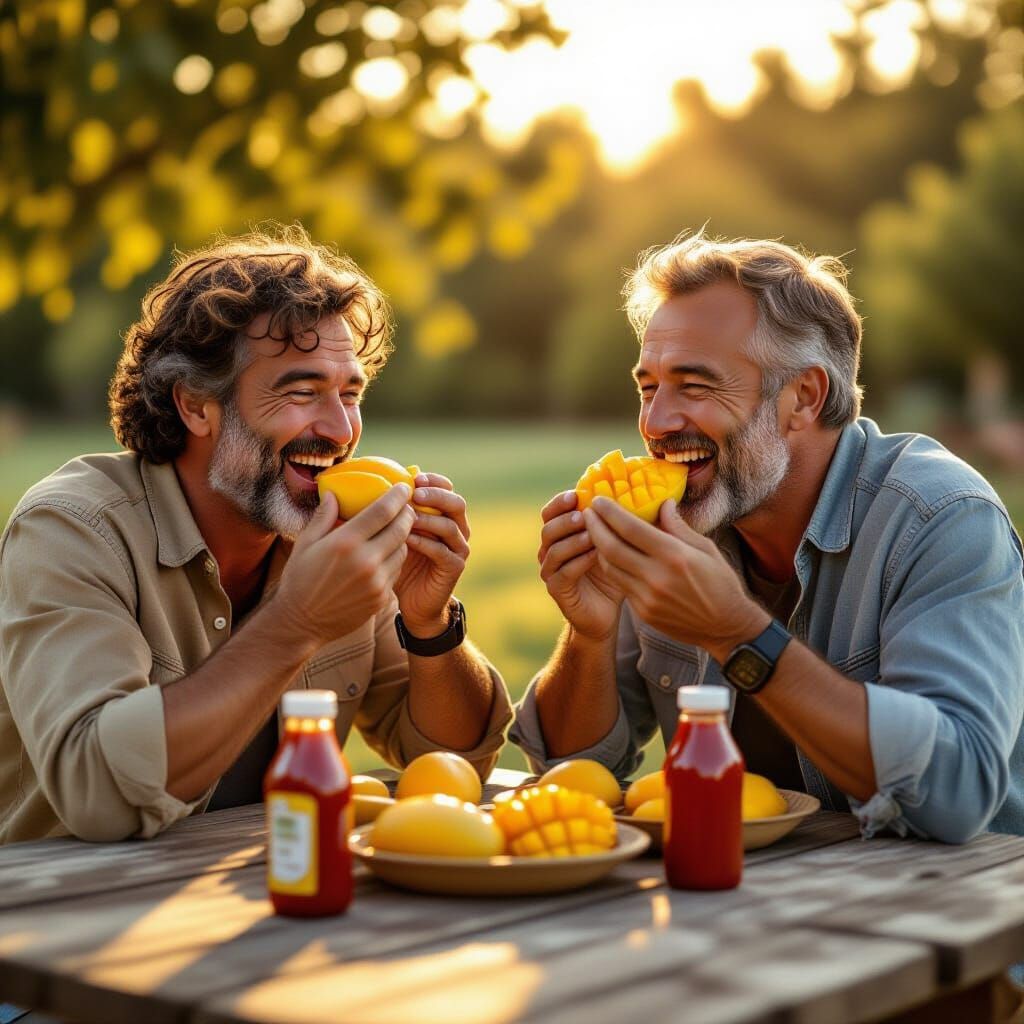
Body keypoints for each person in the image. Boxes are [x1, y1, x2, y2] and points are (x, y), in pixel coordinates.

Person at [0, 227, 511, 844]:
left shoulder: (329, 537)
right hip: (61, 915)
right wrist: (297, 620)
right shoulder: (72, 530)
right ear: (195, 406)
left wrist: (429, 624)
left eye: (350, 394)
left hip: (261, 907)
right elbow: (99, 796)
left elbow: (455, 760)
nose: (340, 428)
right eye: (302, 392)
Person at [511, 231, 1024, 843]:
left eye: (695, 386)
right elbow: (574, 776)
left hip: (955, 910)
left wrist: (737, 634)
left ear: (803, 397)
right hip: (747, 906)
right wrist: (588, 633)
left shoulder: (941, 518)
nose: (655, 422)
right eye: (649, 387)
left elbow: (958, 793)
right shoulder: (680, 524)